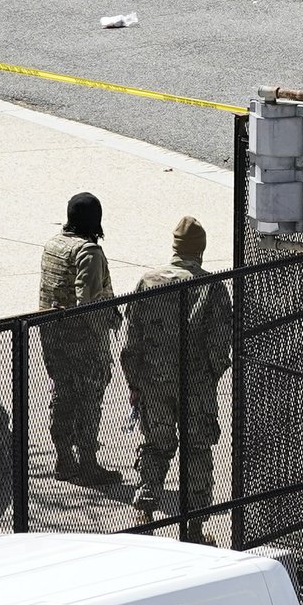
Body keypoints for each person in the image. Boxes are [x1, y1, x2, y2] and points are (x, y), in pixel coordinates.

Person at [120, 216, 234, 520]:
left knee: (156, 446)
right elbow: (221, 345)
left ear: (175, 246)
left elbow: (131, 343)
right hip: (196, 384)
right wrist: (209, 376)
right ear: (201, 249)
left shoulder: (148, 282)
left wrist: (135, 383)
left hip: (154, 383)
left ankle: (144, 509)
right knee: (197, 450)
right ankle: (195, 524)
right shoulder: (212, 287)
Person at [36, 193, 116, 484]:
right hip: (83, 340)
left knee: (63, 394)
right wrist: (102, 339)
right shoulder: (88, 252)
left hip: (52, 336)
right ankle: (88, 464)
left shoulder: (53, 245)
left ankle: (64, 459)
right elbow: (89, 303)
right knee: (89, 400)